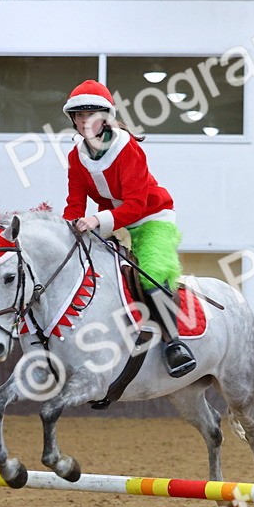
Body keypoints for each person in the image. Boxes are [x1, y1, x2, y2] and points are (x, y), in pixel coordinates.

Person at [61, 79, 196, 378]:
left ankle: (174, 344)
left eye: (91, 115)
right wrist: (68, 229)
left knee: (152, 270)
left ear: (105, 118)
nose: (85, 121)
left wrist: (96, 221)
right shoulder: (76, 157)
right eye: (79, 116)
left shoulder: (128, 148)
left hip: (151, 217)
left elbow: (135, 206)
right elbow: (74, 204)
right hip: (110, 221)